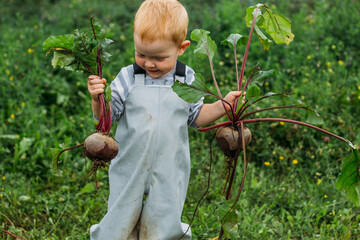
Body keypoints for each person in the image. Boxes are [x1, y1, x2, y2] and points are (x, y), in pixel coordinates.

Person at [87, 0, 242, 239]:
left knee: (165, 215)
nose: (149, 63)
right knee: (121, 211)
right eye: (141, 54)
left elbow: (197, 117)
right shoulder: (128, 77)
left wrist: (224, 105)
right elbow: (107, 115)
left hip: (171, 164)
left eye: (159, 57)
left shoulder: (186, 78)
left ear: (182, 48)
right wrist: (98, 99)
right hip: (130, 162)